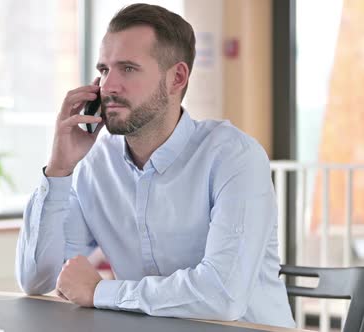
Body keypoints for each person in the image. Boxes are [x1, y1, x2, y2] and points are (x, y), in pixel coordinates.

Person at [15, 3, 295, 328]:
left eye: (128, 69)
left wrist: (101, 292)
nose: (108, 87)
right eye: (104, 70)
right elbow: (37, 281)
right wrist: (59, 169)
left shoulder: (234, 157)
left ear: (177, 77)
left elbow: (222, 296)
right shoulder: (94, 163)